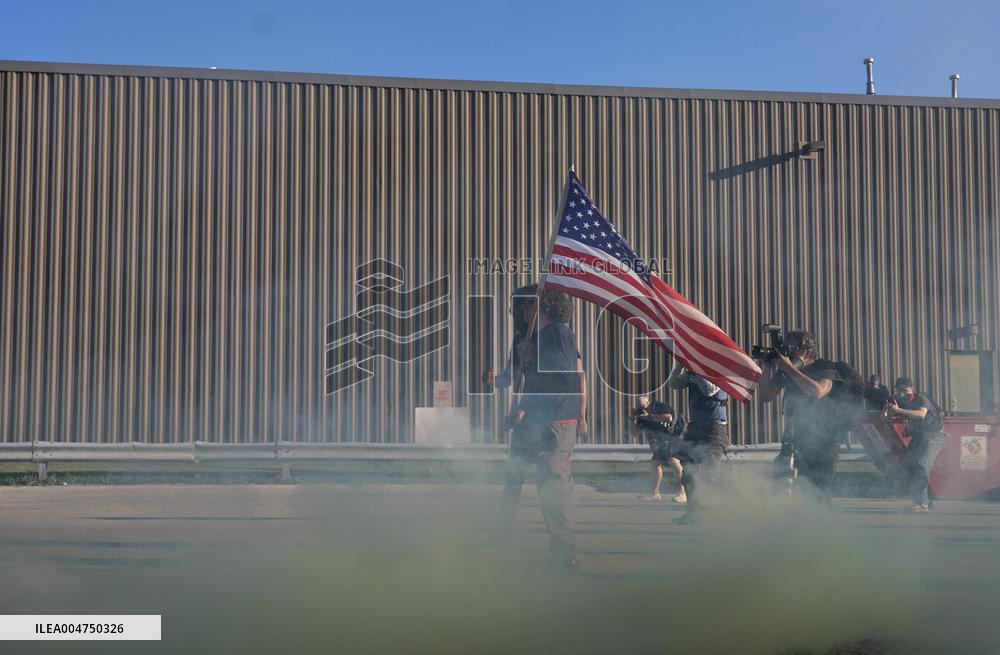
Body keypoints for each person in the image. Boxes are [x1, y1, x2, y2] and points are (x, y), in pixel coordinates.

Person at [494, 287, 586, 574]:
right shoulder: (525, 338)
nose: (519, 312)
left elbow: (563, 381)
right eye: (517, 308)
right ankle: (499, 540)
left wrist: (534, 361)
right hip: (530, 420)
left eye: (523, 306)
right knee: (514, 477)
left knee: (552, 486)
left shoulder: (558, 333)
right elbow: (513, 378)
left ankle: (564, 552)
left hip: (555, 421)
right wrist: (495, 380)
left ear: (542, 306)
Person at [758, 330, 851, 505]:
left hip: (824, 441)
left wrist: (788, 368)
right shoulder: (789, 369)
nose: (788, 351)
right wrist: (768, 366)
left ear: (808, 349)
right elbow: (766, 396)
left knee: (816, 491)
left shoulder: (826, 367)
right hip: (795, 438)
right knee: (785, 487)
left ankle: (822, 528)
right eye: (785, 347)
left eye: (792, 347)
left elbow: (817, 391)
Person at [667, 365, 729, 524]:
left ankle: (724, 511)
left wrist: (696, 369)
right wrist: (679, 368)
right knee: (688, 475)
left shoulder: (720, 373)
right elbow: (674, 384)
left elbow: (709, 390)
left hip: (713, 428)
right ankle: (693, 513)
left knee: (710, 474)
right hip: (695, 427)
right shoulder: (692, 373)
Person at [887, 376, 947, 513]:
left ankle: (921, 503)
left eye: (903, 388)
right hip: (919, 436)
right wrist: (887, 410)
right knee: (912, 465)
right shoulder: (902, 401)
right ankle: (925, 500)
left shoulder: (921, 398)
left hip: (933, 435)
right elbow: (887, 415)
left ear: (909, 388)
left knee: (922, 465)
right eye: (898, 389)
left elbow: (921, 414)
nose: (901, 391)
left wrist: (898, 411)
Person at [631, 396, 686, 503]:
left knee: (673, 460)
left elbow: (668, 417)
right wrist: (632, 419)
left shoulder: (657, 406)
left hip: (677, 435)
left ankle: (683, 493)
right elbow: (633, 434)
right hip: (663, 442)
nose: (643, 410)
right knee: (655, 463)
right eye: (639, 408)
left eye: (644, 406)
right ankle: (655, 493)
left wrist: (649, 417)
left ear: (648, 403)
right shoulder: (641, 416)